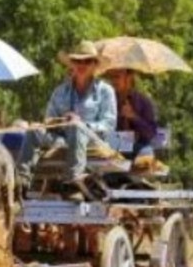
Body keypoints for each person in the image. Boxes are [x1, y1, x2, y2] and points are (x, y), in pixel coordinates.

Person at [16, 40, 117, 200]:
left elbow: (109, 124)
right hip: (63, 139)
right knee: (33, 129)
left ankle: (72, 182)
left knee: (77, 127)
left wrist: (81, 124)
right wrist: (57, 121)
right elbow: (49, 120)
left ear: (94, 65)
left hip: (94, 141)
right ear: (72, 64)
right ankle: (21, 181)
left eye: (87, 61)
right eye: (77, 60)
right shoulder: (60, 91)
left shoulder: (105, 91)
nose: (81, 65)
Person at [103, 67, 161, 171]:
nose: (113, 81)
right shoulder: (106, 100)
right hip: (113, 146)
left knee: (145, 154)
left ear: (129, 78)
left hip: (137, 147)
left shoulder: (143, 101)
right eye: (111, 78)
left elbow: (151, 133)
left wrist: (133, 117)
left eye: (117, 77)